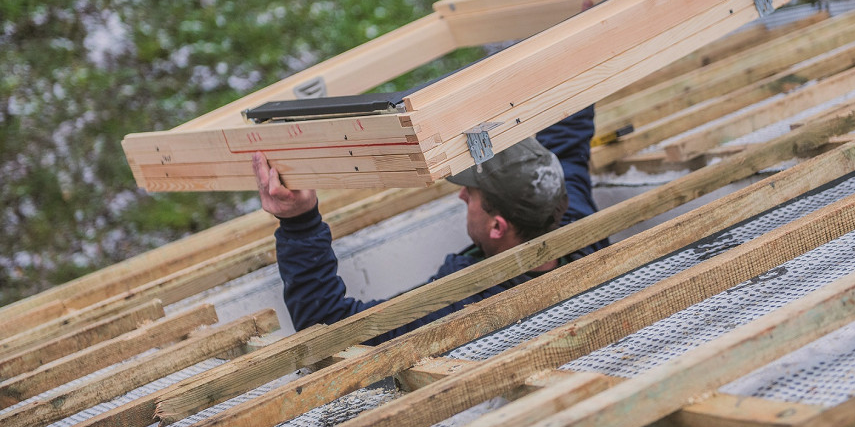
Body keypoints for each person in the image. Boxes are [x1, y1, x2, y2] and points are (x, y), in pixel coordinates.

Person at [252, 106, 607, 345]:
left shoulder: (464, 309)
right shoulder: (582, 228)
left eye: (472, 194)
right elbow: (568, 148)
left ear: (497, 227)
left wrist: (299, 221)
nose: (462, 196)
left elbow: (331, 332)